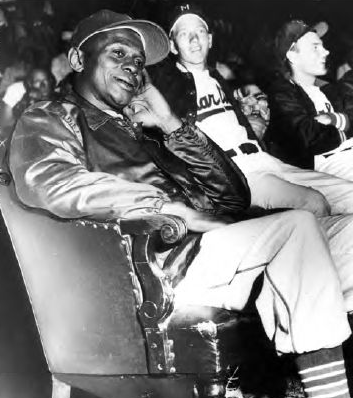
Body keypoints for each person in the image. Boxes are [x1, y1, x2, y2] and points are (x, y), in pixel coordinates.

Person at [8, 10, 353, 398]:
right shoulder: (52, 117)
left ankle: (314, 345)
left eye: (139, 62)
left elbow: (233, 196)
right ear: (77, 60)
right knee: (298, 227)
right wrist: (167, 209)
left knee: (345, 233)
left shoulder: (148, 129)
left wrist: (172, 123)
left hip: (217, 251)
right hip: (160, 268)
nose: (132, 67)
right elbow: (52, 181)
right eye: (118, 53)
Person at [148, 4, 353, 217]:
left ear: (210, 39)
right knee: (313, 203)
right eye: (184, 34)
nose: (194, 40)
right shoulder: (168, 85)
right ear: (172, 46)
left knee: (349, 194)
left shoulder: (219, 79)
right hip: (235, 172)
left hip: (265, 160)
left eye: (200, 32)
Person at [265, 20, 353, 181]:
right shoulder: (281, 94)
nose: (325, 52)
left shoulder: (330, 90)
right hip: (326, 168)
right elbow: (309, 138)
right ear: (292, 55)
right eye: (315, 47)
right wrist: (345, 125)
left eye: (322, 46)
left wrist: (335, 120)